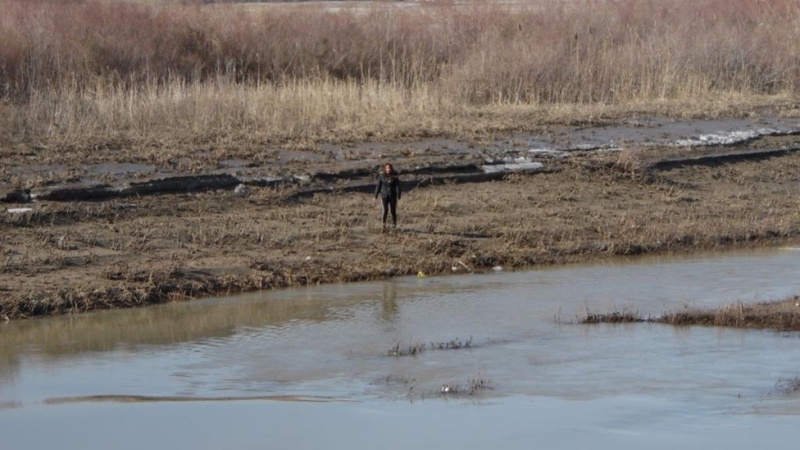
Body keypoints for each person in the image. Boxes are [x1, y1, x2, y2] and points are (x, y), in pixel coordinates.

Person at [374, 162, 401, 229]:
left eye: (389, 168)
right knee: (385, 210)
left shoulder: (394, 176)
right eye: (387, 168)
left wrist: (398, 194)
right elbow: (378, 186)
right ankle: (383, 225)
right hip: (384, 195)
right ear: (385, 169)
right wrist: (376, 195)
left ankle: (394, 225)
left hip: (392, 195)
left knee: (393, 210)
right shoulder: (382, 175)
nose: (388, 169)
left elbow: (397, 186)